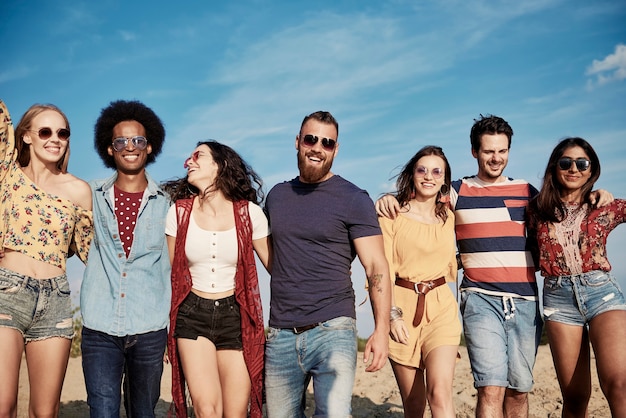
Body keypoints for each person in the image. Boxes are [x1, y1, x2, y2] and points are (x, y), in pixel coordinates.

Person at [376, 116, 613, 418]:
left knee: (518, 391)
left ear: (509, 151)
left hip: (525, 301)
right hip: (480, 298)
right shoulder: (457, 192)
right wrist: (389, 198)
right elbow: (422, 198)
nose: (496, 158)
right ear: (475, 152)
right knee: (490, 388)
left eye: (502, 151)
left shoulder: (527, 192)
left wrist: (597, 194)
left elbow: (566, 208)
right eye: (488, 151)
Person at [264, 110, 392, 418]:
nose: (318, 147)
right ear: (298, 142)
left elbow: (376, 266)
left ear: (335, 149)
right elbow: (273, 256)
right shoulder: (276, 196)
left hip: (333, 328)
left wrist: (381, 329)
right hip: (281, 331)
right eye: (311, 139)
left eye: (328, 143)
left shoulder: (352, 198)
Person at [163, 140, 270, 418]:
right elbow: (172, 276)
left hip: (236, 316)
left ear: (219, 165)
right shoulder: (179, 212)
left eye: (197, 156)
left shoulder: (250, 214)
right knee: (207, 409)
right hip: (191, 314)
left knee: (234, 413)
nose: (189, 162)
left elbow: (277, 268)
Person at [0, 100, 93, 417]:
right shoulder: (8, 173)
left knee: (45, 412)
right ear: (25, 136)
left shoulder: (78, 189)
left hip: (56, 299)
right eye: (45, 131)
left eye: (62, 133)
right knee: (3, 404)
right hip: (6, 294)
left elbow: (93, 253)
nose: (55, 138)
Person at [79, 100, 171, 417]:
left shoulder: (169, 204)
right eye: (121, 141)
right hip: (99, 326)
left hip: (149, 328)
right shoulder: (88, 194)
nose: (129, 147)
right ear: (109, 148)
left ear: (149, 147)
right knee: (102, 411)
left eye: (138, 140)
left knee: (143, 412)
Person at [528, 137, 626, 418]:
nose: (574, 168)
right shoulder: (536, 209)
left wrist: (604, 192)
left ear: (591, 169)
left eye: (582, 163)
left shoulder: (604, 205)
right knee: (575, 396)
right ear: (555, 167)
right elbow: (528, 253)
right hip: (558, 301)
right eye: (566, 162)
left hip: (602, 294)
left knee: (618, 385)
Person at [380, 146, 461, 418]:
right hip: (401, 309)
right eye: (422, 169)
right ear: (412, 174)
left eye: (437, 171)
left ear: (444, 178)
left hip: (441, 309)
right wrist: (391, 316)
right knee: (414, 406)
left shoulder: (449, 216)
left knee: (440, 394)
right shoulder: (392, 214)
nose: (429, 176)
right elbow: (382, 271)